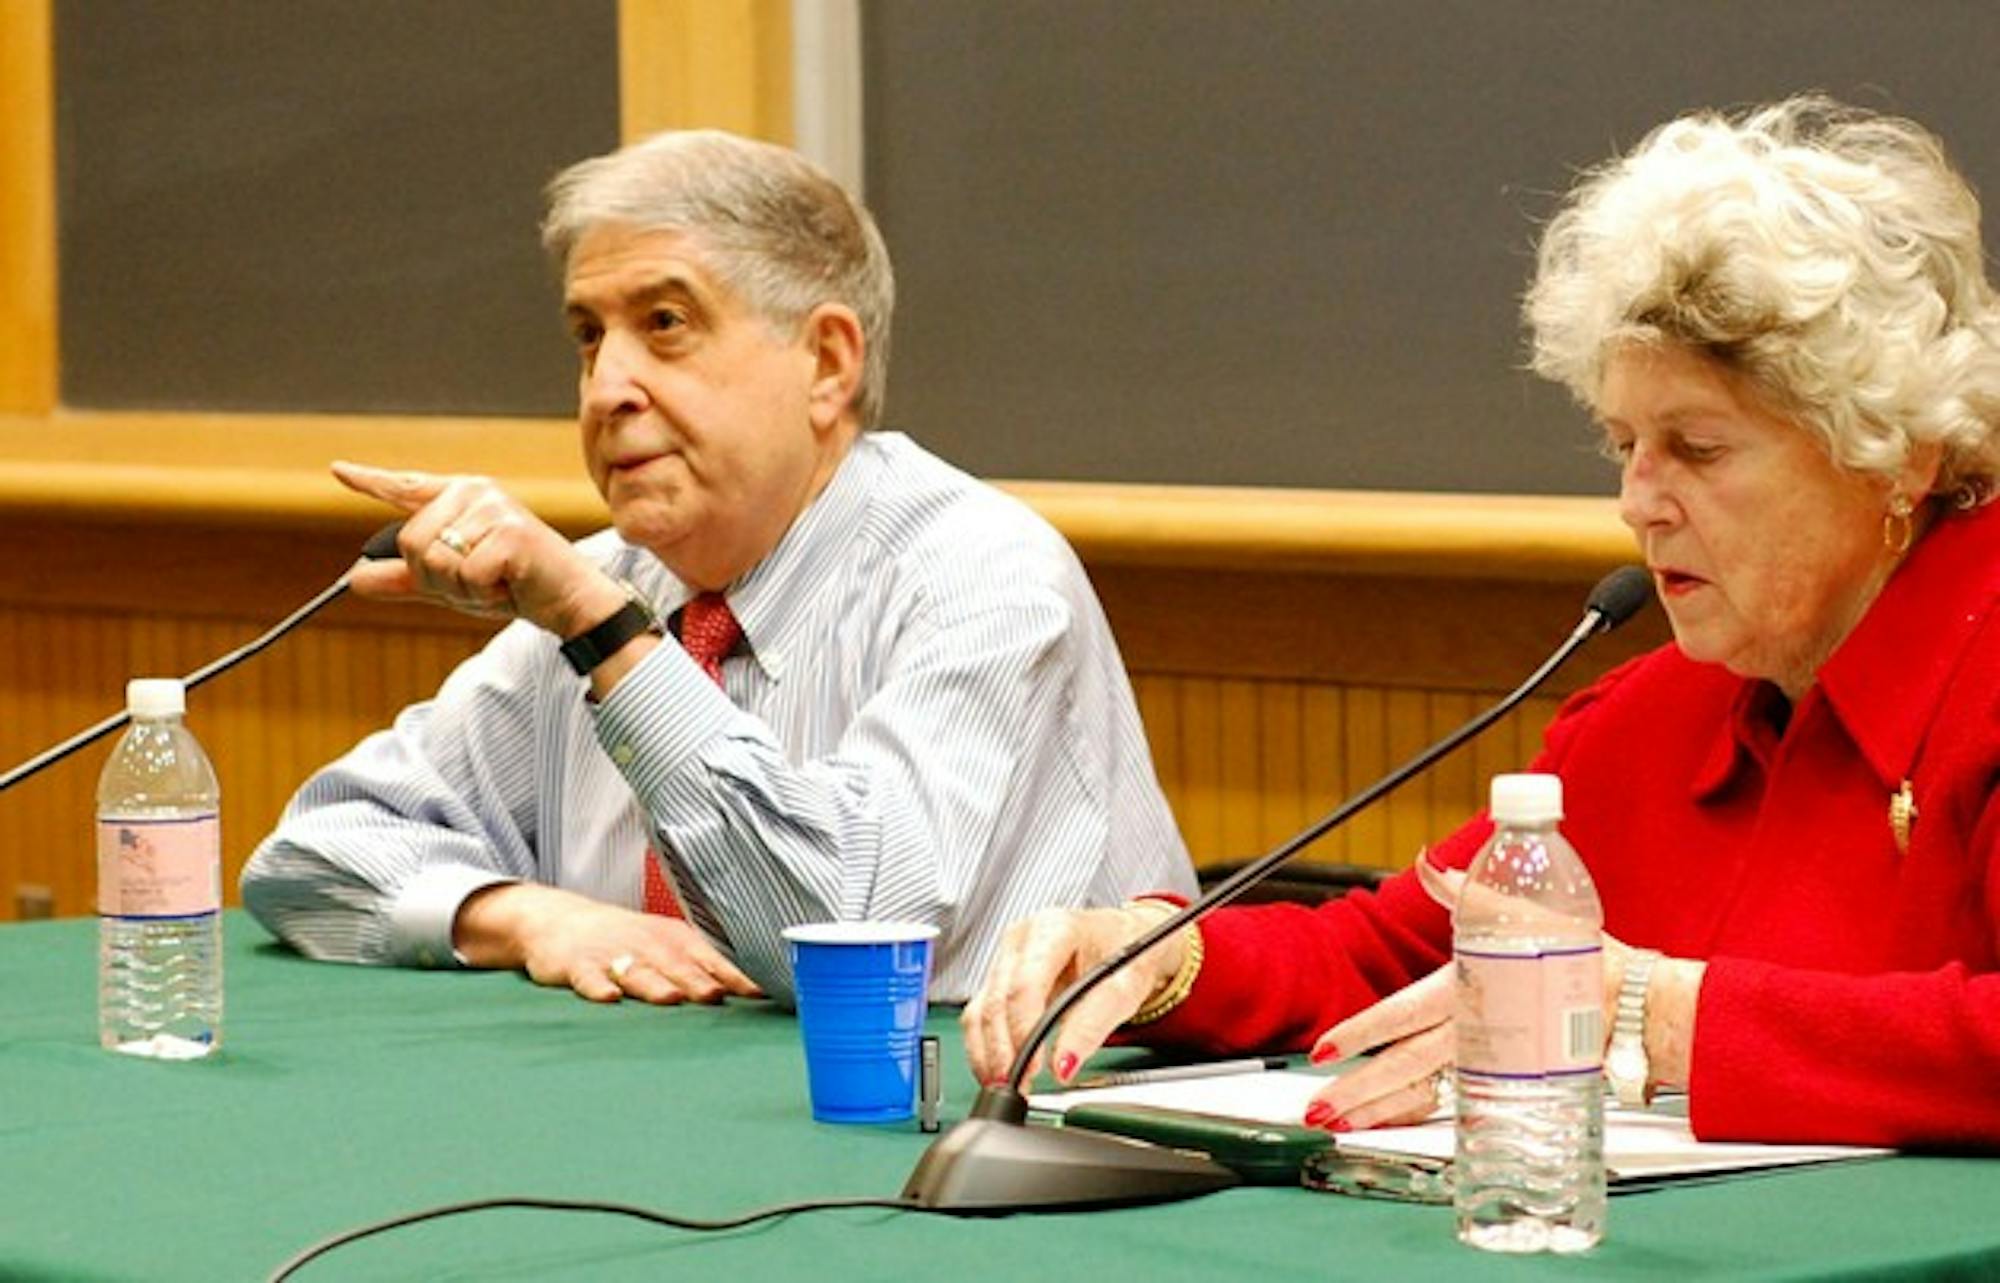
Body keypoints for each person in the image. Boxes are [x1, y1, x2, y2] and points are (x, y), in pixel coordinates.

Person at [964, 96, 2000, 1148]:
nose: (1638, 501)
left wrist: (1653, 1013)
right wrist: (1152, 953)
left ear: (1896, 454)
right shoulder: (1646, 722)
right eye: (1620, 443)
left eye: (1695, 448)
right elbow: (1389, 956)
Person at [241, 129, 1194, 1007]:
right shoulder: (619, 577)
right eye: (588, 336)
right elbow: (310, 854)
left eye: (664, 323)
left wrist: (604, 633)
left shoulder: (983, 577)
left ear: (826, 363)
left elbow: (840, 939)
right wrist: (534, 916)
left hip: (961, 1149)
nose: (607, 388)